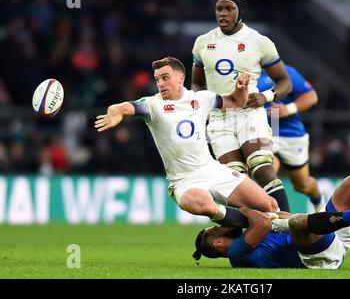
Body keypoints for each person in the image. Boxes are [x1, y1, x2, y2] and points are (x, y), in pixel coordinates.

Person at [95, 57, 279, 228]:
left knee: (269, 204)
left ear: (180, 78)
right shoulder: (152, 105)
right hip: (184, 181)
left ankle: (291, 237)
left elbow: (235, 101)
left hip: (211, 170)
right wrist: (116, 112)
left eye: (165, 78)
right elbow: (125, 107)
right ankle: (256, 223)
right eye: (157, 79)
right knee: (205, 203)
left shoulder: (202, 99)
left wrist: (241, 88)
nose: (160, 83)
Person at [193, 172, 350, 269]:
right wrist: (244, 208)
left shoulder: (244, 237)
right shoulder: (237, 253)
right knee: (299, 222)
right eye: (217, 229)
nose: (223, 225)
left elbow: (276, 209)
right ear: (216, 244)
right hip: (317, 258)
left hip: (326, 235)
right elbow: (264, 223)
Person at [191, 0, 293, 211]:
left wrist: (264, 97)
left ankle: (288, 227)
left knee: (262, 168)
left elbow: (285, 82)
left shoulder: (259, 41)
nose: (223, 13)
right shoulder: (202, 43)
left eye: (229, 8)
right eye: (219, 9)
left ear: (240, 11)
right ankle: (248, 237)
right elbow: (197, 83)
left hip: (249, 114)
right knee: (235, 182)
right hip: (219, 119)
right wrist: (202, 103)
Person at [257, 64, 324, 211]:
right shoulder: (241, 75)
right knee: (268, 173)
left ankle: (319, 203)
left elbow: (311, 96)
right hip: (263, 134)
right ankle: (277, 221)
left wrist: (288, 109)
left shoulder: (283, 71)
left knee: (303, 185)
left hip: (290, 134)